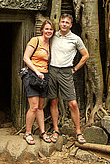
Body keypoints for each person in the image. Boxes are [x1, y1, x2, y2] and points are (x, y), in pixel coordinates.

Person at [48, 13, 89, 144]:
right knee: (53, 101)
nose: (64, 24)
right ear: (59, 23)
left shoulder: (75, 39)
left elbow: (86, 55)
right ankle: (55, 130)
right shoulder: (52, 36)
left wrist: (75, 69)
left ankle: (78, 132)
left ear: (71, 25)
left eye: (67, 22)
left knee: (73, 103)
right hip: (52, 70)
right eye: (62, 21)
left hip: (66, 72)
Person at [22, 20, 55, 145]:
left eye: (51, 29)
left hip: (44, 76)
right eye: (46, 29)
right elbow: (26, 57)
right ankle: (28, 133)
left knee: (41, 107)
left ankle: (42, 132)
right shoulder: (35, 41)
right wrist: (36, 71)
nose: (48, 31)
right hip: (32, 75)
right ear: (42, 29)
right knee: (34, 107)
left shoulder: (50, 44)